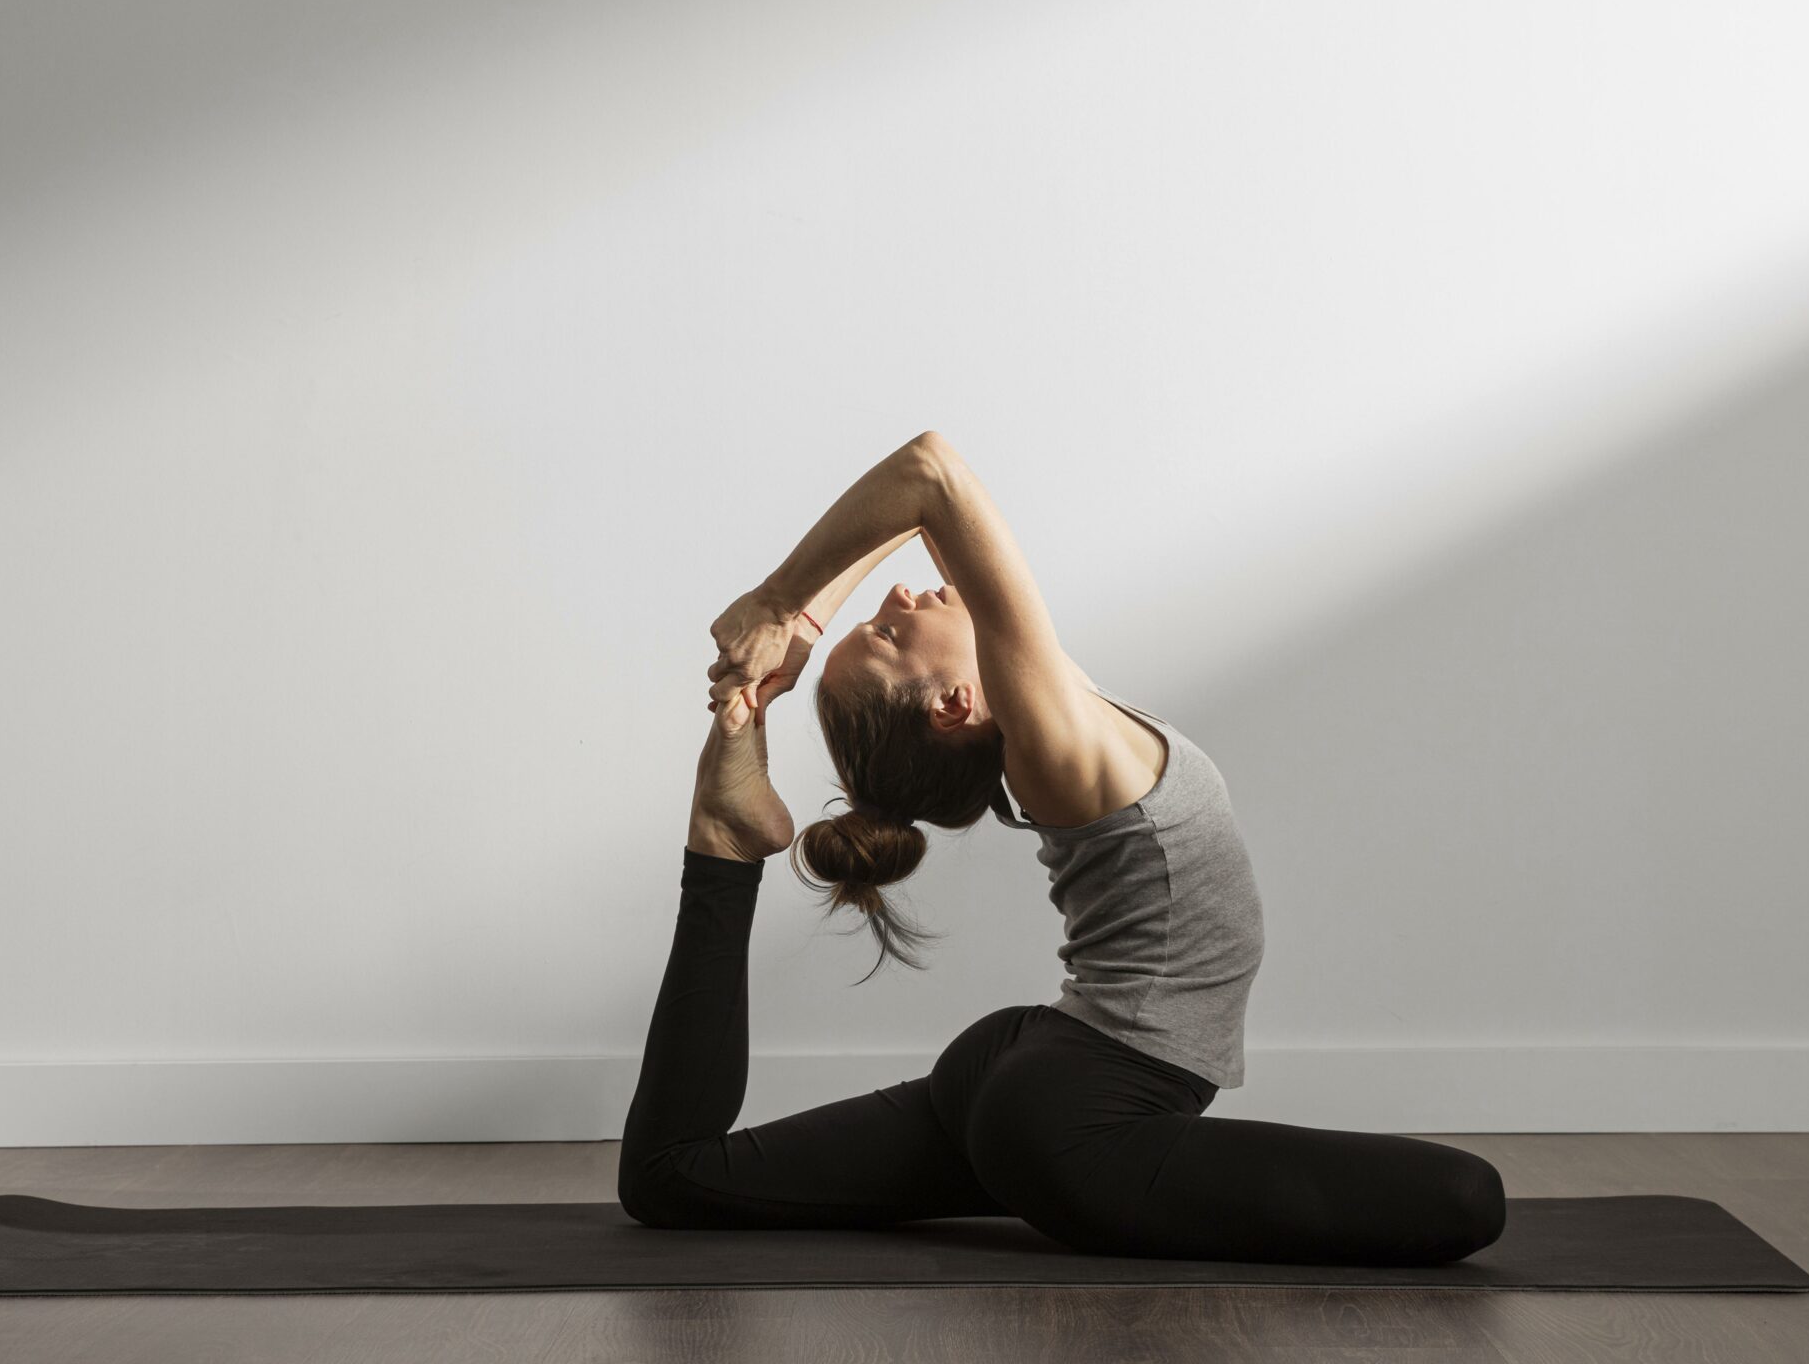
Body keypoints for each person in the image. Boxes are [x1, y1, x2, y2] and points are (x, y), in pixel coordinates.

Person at [617, 431, 1505, 1265]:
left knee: (677, 1178)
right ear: (954, 704)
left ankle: (725, 843)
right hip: (1081, 1121)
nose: (896, 596)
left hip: (1030, 1074)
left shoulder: (1052, 712)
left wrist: (803, 627)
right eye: (888, 636)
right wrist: (780, 606)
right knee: (1470, 1199)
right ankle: (726, 830)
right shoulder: (1051, 737)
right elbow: (930, 475)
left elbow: (923, 514)